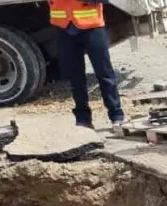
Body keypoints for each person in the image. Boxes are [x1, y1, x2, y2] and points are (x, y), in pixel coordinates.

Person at [49, 0, 124, 130]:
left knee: (104, 72)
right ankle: (82, 119)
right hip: (63, 27)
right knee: (75, 76)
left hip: (92, 26)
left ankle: (116, 116)